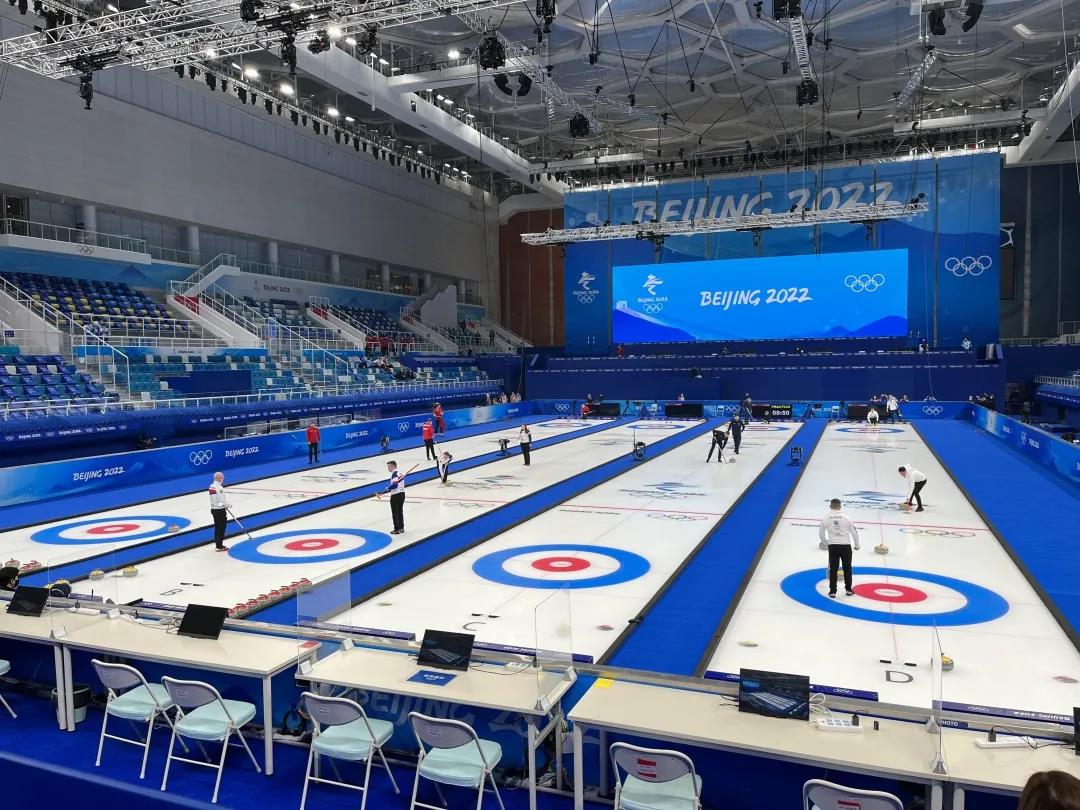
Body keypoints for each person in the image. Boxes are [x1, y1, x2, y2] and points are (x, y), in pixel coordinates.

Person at [818, 498, 860, 598]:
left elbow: (821, 534)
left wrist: (827, 544)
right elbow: (854, 533)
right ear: (840, 507)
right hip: (845, 546)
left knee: (833, 569)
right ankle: (848, 590)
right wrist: (857, 545)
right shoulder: (847, 518)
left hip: (833, 546)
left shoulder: (826, 518)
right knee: (847, 568)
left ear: (830, 506)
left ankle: (832, 591)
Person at [377, 460, 407, 534]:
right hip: (402, 493)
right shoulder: (400, 473)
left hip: (395, 495)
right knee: (400, 511)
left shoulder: (394, 474)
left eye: (389, 467)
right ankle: (401, 527)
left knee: (395, 512)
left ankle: (396, 529)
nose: (388, 468)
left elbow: (395, 485)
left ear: (393, 466)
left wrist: (388, 488)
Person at [208, 471, 231, 552]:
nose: (223, 479)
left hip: (214, 509)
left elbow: (215, 500)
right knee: (221, 528)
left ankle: (218, 545)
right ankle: (219, 546)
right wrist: (227, 505)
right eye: (222, 477)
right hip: (219, 510)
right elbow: (220, 500)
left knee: (217, 528)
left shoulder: (211, 486)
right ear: (218, 478)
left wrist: (222, 505)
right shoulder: (219, 487)